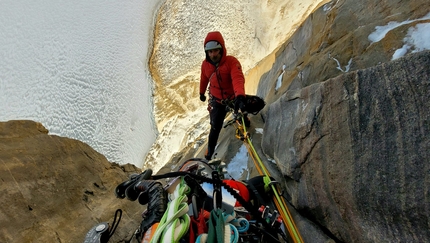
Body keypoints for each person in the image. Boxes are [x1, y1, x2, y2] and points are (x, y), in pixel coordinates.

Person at [199, 31, 249, 160]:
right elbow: (204, 79)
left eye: (215, 51)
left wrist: (240, 96)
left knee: (241, 109)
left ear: (221, 49)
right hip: (217, 101)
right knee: (215, 127)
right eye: (210, 52)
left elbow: (237, 79)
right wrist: (201, 92)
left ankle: (244, 119)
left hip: (232, 96)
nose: (213, 54)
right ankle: (210, 151)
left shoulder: (231, 62)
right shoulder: (205, 65)